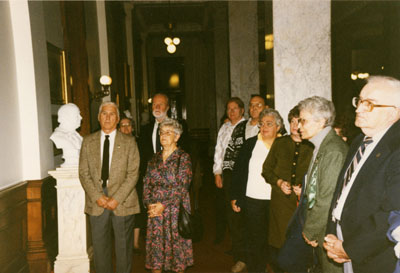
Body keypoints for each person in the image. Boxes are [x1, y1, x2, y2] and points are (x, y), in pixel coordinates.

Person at [324, 75, 400, 273]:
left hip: (374, 254)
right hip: (345, 238)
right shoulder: (360, 140)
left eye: (370, 104)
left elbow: (391, 213)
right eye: (359, 101)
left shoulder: (397, 149)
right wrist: (333, 233)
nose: (358, 109)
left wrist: (350, 249)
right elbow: (342, 190)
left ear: (393, 112)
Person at [279, 96, 348, 273]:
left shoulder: (333, 150)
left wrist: (310, 230)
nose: (298, 126)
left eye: (303, 121)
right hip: (318, 225)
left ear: (321, 121)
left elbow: (326, 198)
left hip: (326, 229)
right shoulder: (321, 145)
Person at [79, 101, 140, 273]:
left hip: (123, 200)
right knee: (99, 249)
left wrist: (116, 198)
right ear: (98, 117)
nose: (107, 117)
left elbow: (133, 174)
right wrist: (97, 196)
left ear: (118, 118)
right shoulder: (88, 142)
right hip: (96, 200)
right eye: (104, 113)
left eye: (112, 114)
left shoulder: (129, 142)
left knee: (123, 249)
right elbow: (84, 173)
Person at [262, 105, 314, 272]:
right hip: (280, 203)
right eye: (292, 121)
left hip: (301, 204)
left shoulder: (312, 146)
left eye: (299, 121)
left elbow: (317, 176)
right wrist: (278, 183)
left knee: (298, 248)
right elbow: (266, 170)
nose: (294, 125)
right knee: (278, 245)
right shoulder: (280, 142)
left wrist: (305, 188)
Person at [230, 108, 283, 273]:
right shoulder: (250, 144)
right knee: (255, 240)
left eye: (269, 124)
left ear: (278, 127)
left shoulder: (284, 144)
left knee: (276, 240)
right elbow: (238, 172)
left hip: (277, 200)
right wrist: (235, 196)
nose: (264, 127)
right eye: (262, 124)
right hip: (253, 199)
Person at [143, 118, 193, 273]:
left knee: (176, 254)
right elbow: (146, 182)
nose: (163, 136)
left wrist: (162, 205)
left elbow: (182, 186)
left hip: (175, 211)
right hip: (155, 212)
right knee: (156, 254)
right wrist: (149, 204)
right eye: (161, 133)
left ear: (177, 137)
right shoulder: (154, 158)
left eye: (168, 133)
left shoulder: (183, 158)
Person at [213, 97, 247, 273]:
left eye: (235, 108)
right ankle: (238, 251)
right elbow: (218, 150)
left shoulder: (247, 127)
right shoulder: (225, 127)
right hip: (227, 174)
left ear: (242, 110)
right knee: (231, 214)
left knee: (241, 216)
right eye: (229, 109)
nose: (231, 111)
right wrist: (217, 172)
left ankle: (243, 256)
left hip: (243, 175)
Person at [118, 117, 144, 254]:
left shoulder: (139, 142)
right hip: (120, 183)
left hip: (138, 181)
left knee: (137, 211)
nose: (126, 128)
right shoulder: (115, 144)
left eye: (128, 125)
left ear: (132, 128)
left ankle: (135, 243)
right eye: (122, 125)